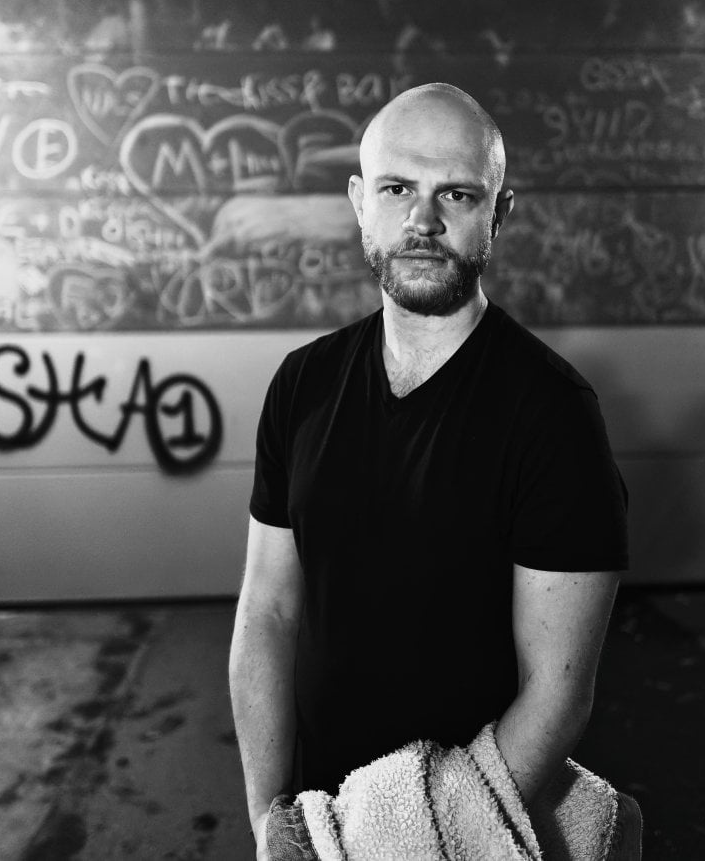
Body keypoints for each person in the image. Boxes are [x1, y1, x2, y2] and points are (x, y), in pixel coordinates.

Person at [228, 82, 629, 859]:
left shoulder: (552, 416)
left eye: (456, 192)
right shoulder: (301, 385)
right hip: (321, 815)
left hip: (477, 831)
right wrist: (269, 820)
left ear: (500, 212)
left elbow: (558, 693)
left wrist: (423, 837)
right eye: (397, 189)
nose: (423, 220)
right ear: (358, 201)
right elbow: (267, 614)